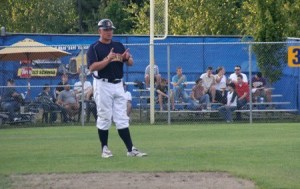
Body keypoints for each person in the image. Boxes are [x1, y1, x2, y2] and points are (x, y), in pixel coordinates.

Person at [87, 18, 147, 158]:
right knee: (105, 116)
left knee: (122, 117)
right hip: (102, 84)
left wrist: (127, 57)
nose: (109, 32)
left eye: (110, 29)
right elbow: (92, 68)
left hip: (118, 84)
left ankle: (130, 149)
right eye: (106, 30)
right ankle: (105, 149)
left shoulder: (119, 45)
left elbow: (130, 62)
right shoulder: (94, 47)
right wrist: (107, 59)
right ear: (99, 31)